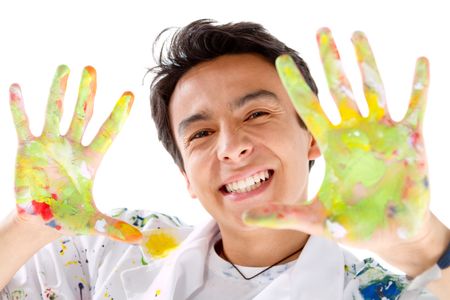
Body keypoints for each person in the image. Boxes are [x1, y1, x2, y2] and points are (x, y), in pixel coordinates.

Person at [1, 19, 449, 299]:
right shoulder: (109, 253)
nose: (231, 146)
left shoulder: (376, 292)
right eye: (201, 133)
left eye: (256, 113)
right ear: (186, 178)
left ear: (313, 139)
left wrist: (423, 243)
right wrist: (30, 225)